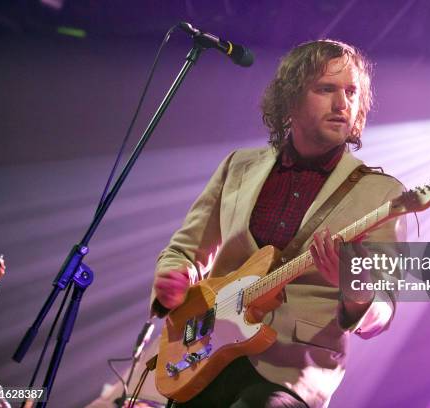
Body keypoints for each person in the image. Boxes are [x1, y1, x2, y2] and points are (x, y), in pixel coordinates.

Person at [151, 39, 407, 408]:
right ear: (290, 100)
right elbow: (185, 250)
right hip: (208, 350)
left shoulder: (383, 195)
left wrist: (357, 292)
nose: (343, 104)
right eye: (326, 89)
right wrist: (174, 277)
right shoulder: (238, 166)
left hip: (294, 373)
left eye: (352, 92)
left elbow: (383, 307)